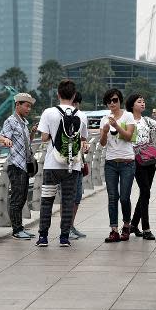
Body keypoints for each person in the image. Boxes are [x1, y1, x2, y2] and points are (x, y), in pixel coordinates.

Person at [36, 79, 88, 248]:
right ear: (74, 96)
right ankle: (64, 237)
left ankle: (43, 237)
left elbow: (44, 138)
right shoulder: (81, 115)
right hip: (72, 165)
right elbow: (83, 139)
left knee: (47, 201)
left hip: (52, 164)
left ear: (58, 94)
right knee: (67, 201)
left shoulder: (48, 112)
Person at [0, 92, 37, 240]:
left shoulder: (24, 123)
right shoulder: (11, 121)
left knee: (22, 198)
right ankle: (16, 230)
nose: (29, 109)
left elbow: (27, 143)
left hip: (24, 165)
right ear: (17, 105)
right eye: (26, 106)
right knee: (17, 198)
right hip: (16, 164)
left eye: (30, 106)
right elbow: (0, 136)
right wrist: (5, 141)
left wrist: (32, 133)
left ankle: (20, 228)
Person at [127, 93, 156, 240]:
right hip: (136, 159)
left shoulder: (146, 119)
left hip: (150, 159)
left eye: (143, 101)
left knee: (146, 192)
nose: (143, 103)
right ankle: (146, 228)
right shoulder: (128, 120)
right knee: (145, 191)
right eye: (139, 101)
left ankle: (134, 224)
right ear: (132, 105)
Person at [99, 88, 136, 243]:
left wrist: (117, 126)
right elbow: (102, 143)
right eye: (109, 101)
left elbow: (129, 136)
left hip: (127, 161)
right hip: (111, 163)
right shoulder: (104, 119)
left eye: (115, 100)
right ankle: (114, 229)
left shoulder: (128, 116)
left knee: (125, 197)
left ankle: (126, 226)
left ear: (120, 100)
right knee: (112, 197)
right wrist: (105, 131)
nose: (112, 103)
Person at [69, 92, 88, 240]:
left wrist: (84, 145)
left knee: (76, 197)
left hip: (78, 162)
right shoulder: (58, 114)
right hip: (67, 164)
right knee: (70, 196)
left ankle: (70, 225)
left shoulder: (81, 116)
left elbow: (84, 139)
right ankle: (67, 227)